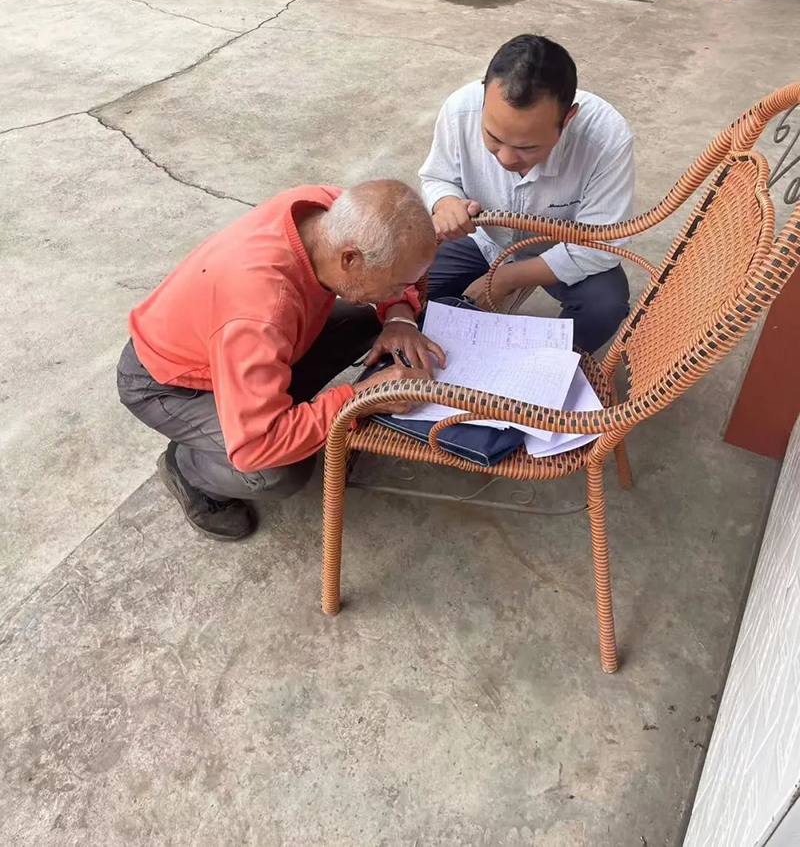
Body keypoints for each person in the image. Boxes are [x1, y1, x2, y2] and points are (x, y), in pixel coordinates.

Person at [117, 180, 444, 541]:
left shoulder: (330, 211)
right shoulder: (260, 312)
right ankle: (188, 468)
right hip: (168, 385)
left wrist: (398, 316)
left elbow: (392, 267)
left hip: (236, 343)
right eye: (396, 285)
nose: (401, 291)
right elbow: (258, 445)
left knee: (367, 322)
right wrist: (360, 399)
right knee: (277, 471)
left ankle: (261, 397)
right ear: (350, 260)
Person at [418, 34, 635, 353]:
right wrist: (446, 202)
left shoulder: (606, 140)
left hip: (560, 250)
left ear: (568, 119)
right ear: (483, 93)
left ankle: (546, 369)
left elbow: (599, 245)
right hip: (484, 239)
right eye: (493, 137)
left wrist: (504, 279)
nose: (506, 158)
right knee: (408, 284)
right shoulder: (459, 111)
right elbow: (437, 176)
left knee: (604, 304)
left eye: (528, 147)